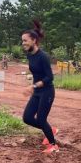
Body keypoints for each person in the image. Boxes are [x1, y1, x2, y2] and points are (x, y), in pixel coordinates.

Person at [21, 20, 59, 153]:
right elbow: (36, 73)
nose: (23, 43)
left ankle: (53, 145)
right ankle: (50, 130)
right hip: (37, 91)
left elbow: (50, 77)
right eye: (22, 41)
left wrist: (34, 86)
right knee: (27, 118)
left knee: (42, 119)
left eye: (25, 40)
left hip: (47, 91)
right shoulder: (29, 55)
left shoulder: (43, 56)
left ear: (34, 40)